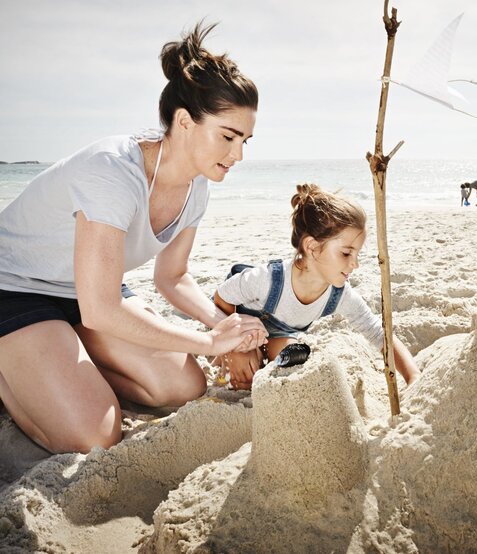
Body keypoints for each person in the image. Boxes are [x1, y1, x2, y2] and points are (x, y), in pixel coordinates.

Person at [0, 22, 268, 454]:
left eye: (246, 140)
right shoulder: (112, 171)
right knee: (93, 435)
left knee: (182, 386)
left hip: (89, 293)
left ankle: (63, 355)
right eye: (228, 137)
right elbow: (102, 309)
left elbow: (173, 277)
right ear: (184, 121)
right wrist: (208, 342)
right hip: (14, 288)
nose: (238, 155)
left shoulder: (196, 185)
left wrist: (223, 326)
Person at [213, 184, 421, 390]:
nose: (355, 264)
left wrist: (413, 376)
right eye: (346, 253)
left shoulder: (339, 295)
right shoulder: (266, 280)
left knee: (291, 363)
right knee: (245, 377)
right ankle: (245, 353)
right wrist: (233, 346)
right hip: (243, 323)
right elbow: (221, 298)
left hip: (280, 333)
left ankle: (260, 353)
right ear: (312, 247)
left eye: (357, 255)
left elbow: (378, 333)